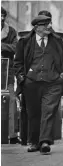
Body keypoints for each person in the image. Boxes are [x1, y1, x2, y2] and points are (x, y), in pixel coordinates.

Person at [13, 14, 63, 154]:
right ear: (36, 27)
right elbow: (18, 62)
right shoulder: (25, 42)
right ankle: (34, 142)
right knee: (33, 113)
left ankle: (44, 141)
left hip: (53, 83)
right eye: (45, 24)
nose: (49, 27)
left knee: (48, 111)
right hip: (31, 83)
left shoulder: (57, 41)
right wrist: (22, 78)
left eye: (49, 23)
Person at [1, 6, 20, 144]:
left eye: (2, 16)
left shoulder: (12, 32)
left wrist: (1, 46)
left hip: (7, 72)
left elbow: (15, 48)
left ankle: (12, 135)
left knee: (11, 102)